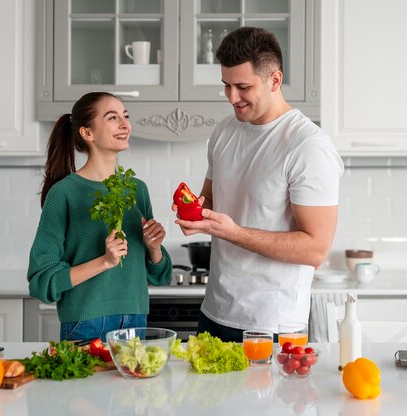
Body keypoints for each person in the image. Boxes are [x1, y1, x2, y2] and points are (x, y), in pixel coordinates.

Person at [174, 27, 344, 342]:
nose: (232, 98)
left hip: (272, 323)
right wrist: (197, 215)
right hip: (214, 312)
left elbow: (315, 248)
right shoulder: (225, 131)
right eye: (226, 86)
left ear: (274, 80)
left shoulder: (308, 146)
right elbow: (210, 200)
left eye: (242, 87)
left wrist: (232, 232)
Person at [28, 92, 172, 341]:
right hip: (86, 323)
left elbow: (161, 275)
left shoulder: (137, 190)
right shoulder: (64, 193)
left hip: (136, 320)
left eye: (125, 116)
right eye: (112, 118)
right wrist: (105, 261)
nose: (125, 124)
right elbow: (41, 282)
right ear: (87, 133)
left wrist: (154, 249)